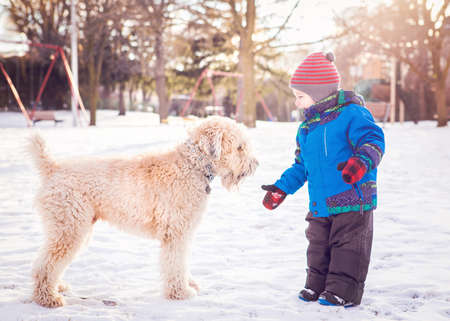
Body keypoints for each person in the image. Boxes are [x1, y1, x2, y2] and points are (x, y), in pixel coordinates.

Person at [261, 52, 385, 307]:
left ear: (319, 94)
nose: (297, 103)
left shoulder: (352, 114)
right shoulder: (306, 129)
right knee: (318, 245)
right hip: (320, 203)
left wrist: (360, 163)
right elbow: (301, 166)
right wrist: (281, 188)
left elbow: (373, 140)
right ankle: (316, 285)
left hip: (353, 199)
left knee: (347, 248)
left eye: (300, 96)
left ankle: (343, 291)